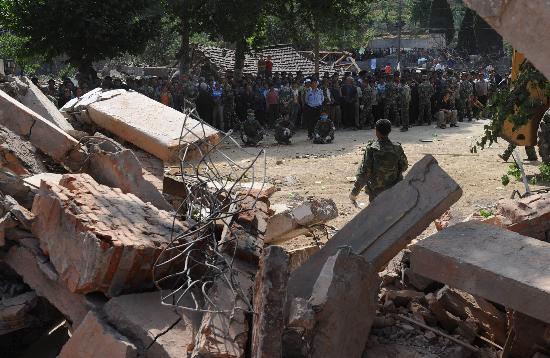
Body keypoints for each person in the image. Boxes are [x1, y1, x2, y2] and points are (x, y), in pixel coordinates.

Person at [350, 119, 408, 203]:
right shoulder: (397, 148)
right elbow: (404, 167)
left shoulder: (372, 148)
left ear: (376, 131)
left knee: (363, 167)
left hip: (376, 192)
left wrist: (354, 193)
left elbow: (365, 173)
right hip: (394, 190)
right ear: (390, 131)